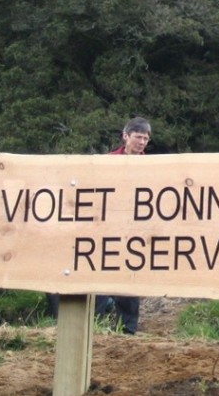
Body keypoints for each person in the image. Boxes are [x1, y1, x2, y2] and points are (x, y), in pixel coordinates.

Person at [50, 117, 152, 333]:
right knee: (99, 280)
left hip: (133, 232)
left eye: (145, 138)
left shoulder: (151, 166)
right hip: (105, 230)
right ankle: (92, 329)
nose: (142, 142)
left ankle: (128, 331)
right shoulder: (106, 161)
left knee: (130, 282)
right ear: (126, 136)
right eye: (138, 137)